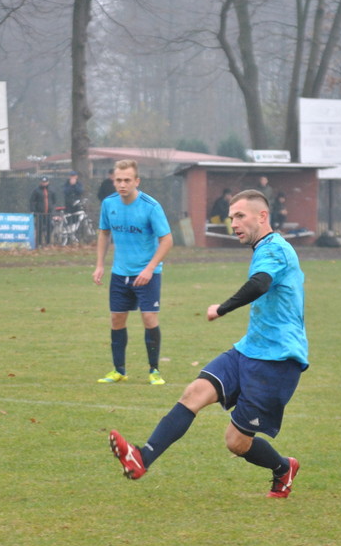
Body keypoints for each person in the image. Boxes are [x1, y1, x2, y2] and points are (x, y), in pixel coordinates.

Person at [108, 189, 308, 498]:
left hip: (278, 362)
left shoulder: (275, 249)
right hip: (248, 350)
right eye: (231, 218)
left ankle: (283, 468)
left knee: (236, 442)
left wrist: (222, 308)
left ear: (262, 216)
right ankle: (140, 458)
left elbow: (260, 284)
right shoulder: (264, 249)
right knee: (194, 393)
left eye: (240, 216)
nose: (234, 224)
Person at [93, 159, 173, 385]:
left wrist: (149, 269)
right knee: (117, 319)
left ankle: (154, 370)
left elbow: (167, 240)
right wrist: (100, 264)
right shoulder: (109, 204)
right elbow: (104, 233)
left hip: (147, 273)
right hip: (120, 273)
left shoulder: (150, 206)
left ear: (136, 181)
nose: (122, 184)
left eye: (127, 180)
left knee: (149, 318)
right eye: (118, 180)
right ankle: (118, 370)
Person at [29, 176, 56, 248]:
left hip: (48, 213)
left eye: (45, 182)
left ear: (48, 182)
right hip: (39, 213)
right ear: (40, 182)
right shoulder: (36, 190)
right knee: (39, 229)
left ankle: (48, 242)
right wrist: (34, 211)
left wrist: (53, 212)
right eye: (42, 182)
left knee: (49, 228)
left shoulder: (52, 190)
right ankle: (39, 243)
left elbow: (54, 202)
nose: (44, 183)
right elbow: (32, 201)